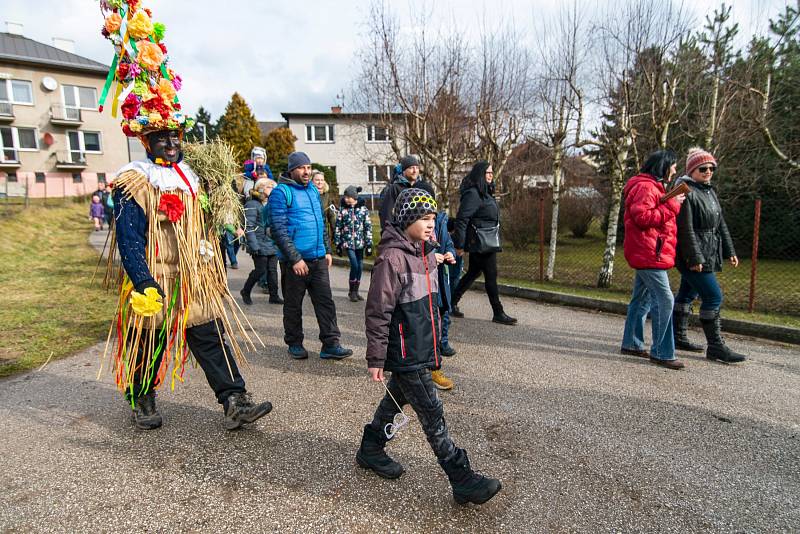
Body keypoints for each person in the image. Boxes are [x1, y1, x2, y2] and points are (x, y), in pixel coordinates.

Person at [98, 4, 271, 431]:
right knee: (149, 343)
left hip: (193, 276)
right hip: (155, 278)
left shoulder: (191, 178)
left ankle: (234, 400)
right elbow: (129, 237)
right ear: (147, 139)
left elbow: (205, 222)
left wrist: (212, 250)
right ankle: (142, 399)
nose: (173, 143)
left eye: (176, 135)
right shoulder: (134, 182)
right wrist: (142, 280)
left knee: (210, 337)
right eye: (163, 137)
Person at [358, 187, 502, 505]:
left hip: (421, 348)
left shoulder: (424, 253)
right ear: (407, 219)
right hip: (406, 351)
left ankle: (370, 448)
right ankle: (461, 478)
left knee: (396, 400)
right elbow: (377, 310)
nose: (430, 223)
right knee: (432, 412)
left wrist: (439, 260)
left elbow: (429, 304)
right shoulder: (392, 259)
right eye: (423, 217)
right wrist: (376, 356)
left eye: (433, 217)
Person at [268, 151, 353, 360]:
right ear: (292, 170)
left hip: (318, 258)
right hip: (295, 262)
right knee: (293, 305)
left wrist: (327, 250)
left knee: (326, 302)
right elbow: (278, 229)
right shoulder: (281, 192)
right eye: (301, 168)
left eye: (308, 167)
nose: (306, 172)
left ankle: (331, 344)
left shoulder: (314, 191)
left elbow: (321, 223)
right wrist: (295, 258)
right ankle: (294, 343)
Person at [673, 148, 745, 363]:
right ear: (692, 170)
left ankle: (678, 338)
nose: (708, 172)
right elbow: (684, 228)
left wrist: (729, 251)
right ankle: (715, 346)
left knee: (687, 295)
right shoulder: (683, 190)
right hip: (692, 255)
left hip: (708, 251)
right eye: (702, 168)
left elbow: (720, 223)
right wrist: (694, 259)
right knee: (714, 296)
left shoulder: (708, 191)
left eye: (711, 168)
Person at [620, 150, 686, 370]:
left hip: (648, 251)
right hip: (649, 253)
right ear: (663, 166)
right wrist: (673, 204)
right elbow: (643, 217)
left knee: (642, 299)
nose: (675, 170)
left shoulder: (649, 185)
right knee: (665, 299)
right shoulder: (646, 187)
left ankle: (632, 343)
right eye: (673, 166)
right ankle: (662, 352)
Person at [450, 161, 516, 325]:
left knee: (473, 272)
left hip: (486, 240)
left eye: (492, 173)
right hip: (480, 242)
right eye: (487, 173)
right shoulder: (474, 194)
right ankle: (498, 312)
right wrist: (459, 245)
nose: (491, 175)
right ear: (480, 174)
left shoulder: (485, 192)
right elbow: (462, 219)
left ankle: (451, 301)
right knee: (491, 276)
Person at [240, 178, 282, 305]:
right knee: (260, 270)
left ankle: (274, 295)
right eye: (269, 187)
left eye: (274, 187)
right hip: (258, 243)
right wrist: (253, 244)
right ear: (261, 188)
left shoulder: (271, 204)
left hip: (271, 243)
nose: (273, 190)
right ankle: (246, 291)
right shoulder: (252, 204)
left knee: (273, 270)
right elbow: (249, 226)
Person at [334, 185, 373, 302]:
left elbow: (368, 227)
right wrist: (338, 244)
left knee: (360, 267)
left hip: (360, 243)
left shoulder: (363, 210)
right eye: (345, 196)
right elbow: (338, 227)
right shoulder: (342, 210)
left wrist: (369, 244)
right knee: (354, 265)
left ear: (354, 197)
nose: (346, 199)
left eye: (348, 196)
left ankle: (355, 291)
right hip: (348, 243)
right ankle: (352, 292)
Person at [378, 155, 425, 230]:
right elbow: (386, 214)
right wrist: (389, 233)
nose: (415, 171)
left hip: (419, 233)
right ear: (403, 171)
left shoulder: (422, 187)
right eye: (411, 168)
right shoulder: (394, 188)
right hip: (400, 234)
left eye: (417, 168)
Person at [312, 170, 337, 249]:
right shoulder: (308, 194)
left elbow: (331, 216)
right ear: (312, 181)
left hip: (324, 231)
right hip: (310, 231)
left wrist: (335, 232)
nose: (320, 182)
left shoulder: (327, 196)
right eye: (317, 180)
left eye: (322, 180)